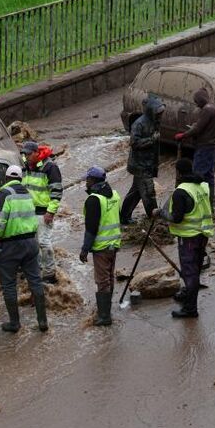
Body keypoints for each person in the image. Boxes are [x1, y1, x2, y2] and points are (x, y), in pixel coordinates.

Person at [0, 165, 47, 333]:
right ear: (20, 179)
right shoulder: (27, 194)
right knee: (35, 281)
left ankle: (14, 323)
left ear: (6, 178)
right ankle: (42, 321)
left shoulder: (3, 193)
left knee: (9, 285)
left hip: (11, 246)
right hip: (31, 243)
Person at [153, 158, 214, 319]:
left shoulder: (181, 192)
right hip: (203, 233)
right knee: (196, 268)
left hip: (189, 237)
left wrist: (161, 213)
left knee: (189, 272)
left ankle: (190, 309)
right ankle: (187, 292)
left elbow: (176, 218)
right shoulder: (203, 186)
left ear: (178, 173)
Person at [79, 166, 121, 326]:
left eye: (88, 179)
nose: (86, 182)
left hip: (101, 247)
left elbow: (91, 228)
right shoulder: (115, 194)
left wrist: (84, 250)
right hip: (114, 243)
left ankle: (104, 316)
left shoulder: (94, 200)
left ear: (94, 181)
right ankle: (107, 310)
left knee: (102, 280)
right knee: (109, 277)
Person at [20, 140, 63, 283]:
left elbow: (56, 191)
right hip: (29, 212)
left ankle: (49, 274)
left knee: (44, 243)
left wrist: (50, 212)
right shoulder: (26, 166)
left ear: (36, 153)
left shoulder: (50, 167)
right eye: (24, 155)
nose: (26, 157)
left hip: (43, 212)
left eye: (28, 154)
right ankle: (36, 270)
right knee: (32, 243)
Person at [121, 95, 165, 225]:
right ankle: (155, 220)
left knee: (136, 192)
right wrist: (151, 140)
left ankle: (124, 217)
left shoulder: (155, 121)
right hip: (140, 165)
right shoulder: (139, 124)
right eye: (158, 113)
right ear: (151, 111)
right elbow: (134, 143)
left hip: (148, 163)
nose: (160, 115)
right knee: (148, 191)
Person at [174, 87, 215, 205]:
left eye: (196, 102)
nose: (196, 105)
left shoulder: (207, 110)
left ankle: (195, 203)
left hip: (204, 147)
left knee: (197, 175)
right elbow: (203, 126)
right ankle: (209, 203)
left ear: (201, 100)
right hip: (212, 146)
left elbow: (198, 128)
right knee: (209, 177)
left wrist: (184, 135)